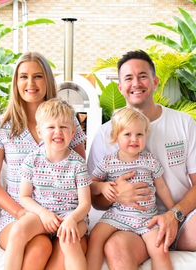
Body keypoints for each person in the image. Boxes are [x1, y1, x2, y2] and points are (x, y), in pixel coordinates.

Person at [88, 49, 196, 269]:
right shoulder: (105, 134)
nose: (136, 83)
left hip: (182, 217)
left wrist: (175, 214)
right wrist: (117, 194)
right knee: (115, 248)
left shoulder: (184, 123)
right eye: (128, 78)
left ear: (155, 81)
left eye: (143, 76)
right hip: (132, 220)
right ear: (120, 87)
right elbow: (95, 198)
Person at [0, 51, 87, 270]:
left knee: (66, 253)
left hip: (65, 215)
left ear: (47, 80)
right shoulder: (3, 126)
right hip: (20, 214)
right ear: (16, 81)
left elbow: (80, 174)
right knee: (39, 248)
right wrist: (21, 213)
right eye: (23, 76)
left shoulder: (67, 123)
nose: (31, 83)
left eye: (38, 76)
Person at [4, 99, 91, 270]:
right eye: (51, 127)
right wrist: (43, 213)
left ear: (73, 131)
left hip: (71, 216)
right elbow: (25, 196)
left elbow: (85, 204)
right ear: (39, 131)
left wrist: (72, 219)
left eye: (64, 127)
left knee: (69, 242)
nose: (58, 132)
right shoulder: (32, 160)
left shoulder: (78, 164)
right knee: (17, 231)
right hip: (42, 215)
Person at [86, 107, 174, 270]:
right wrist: (103, 186)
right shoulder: (108, 162)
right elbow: (91, 184)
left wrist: (173, 212)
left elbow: (161, 188)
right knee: (95, 238)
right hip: (117, 215)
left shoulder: (150, 160)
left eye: (139, 134)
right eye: (127, 134)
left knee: (160, 249)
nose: (134, 139)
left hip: (147, 217)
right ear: (115, 137)